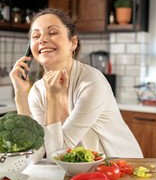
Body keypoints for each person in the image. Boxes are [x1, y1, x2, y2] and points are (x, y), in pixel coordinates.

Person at [10, 8, 143, 163]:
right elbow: (33, 155)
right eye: (35, 36)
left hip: (124, 167)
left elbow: (57, 155)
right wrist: (20, 93)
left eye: (52, 32)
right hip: (85, 172)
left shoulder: (92, 82)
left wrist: (52, 97)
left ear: (73, 43)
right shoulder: (37, 92)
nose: (42, 40)